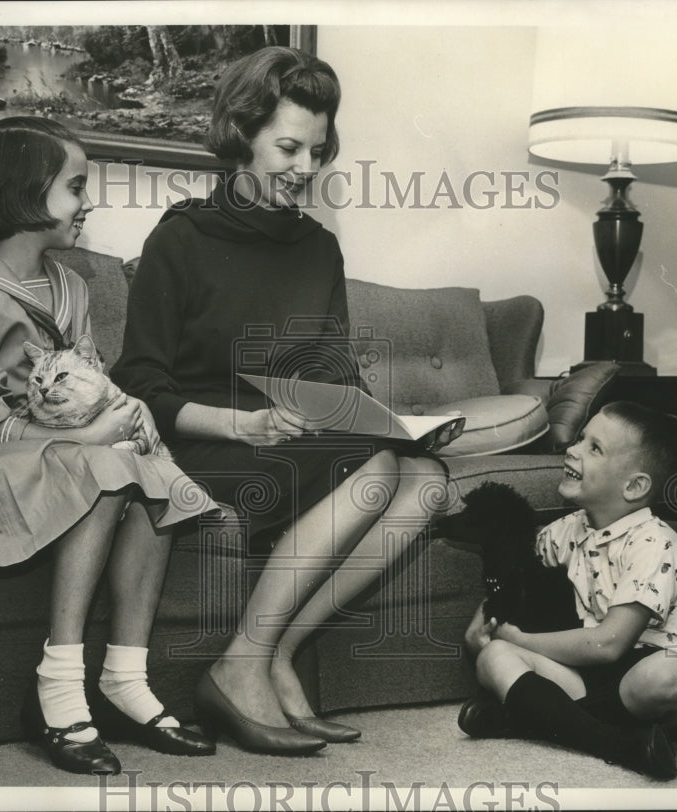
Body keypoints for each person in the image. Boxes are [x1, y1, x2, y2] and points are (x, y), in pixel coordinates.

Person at [110, 47, 452, 755]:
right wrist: (244, 423)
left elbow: (330, 371)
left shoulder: (318, 247)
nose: (304, 168)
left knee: (422, 479)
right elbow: (139, 384)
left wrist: (394, 424)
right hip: (207, 438)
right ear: (242, 135)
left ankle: (267, 657)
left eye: (316, 151)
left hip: (290, 434)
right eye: (288, 147)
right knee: (378, 470)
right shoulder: (179, 238)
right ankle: (240, 670)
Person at [0, 117, 219, 775]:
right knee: (104, 462)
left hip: (64, 445)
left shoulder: (74, 287)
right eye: (76, 186)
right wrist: (93, 434)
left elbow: (85, 382)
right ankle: (59, 685)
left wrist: (111, 418)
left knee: (154, 470)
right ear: (26, 194)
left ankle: (125, 674)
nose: (89, 201)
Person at [458, 401, 677, 780]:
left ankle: (529, 717)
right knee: (493, 656)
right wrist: (485, 620)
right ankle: (617, 743)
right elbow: (518, 574)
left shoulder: (656, 543)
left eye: (593, 448)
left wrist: (520, 638)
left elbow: (609, 643)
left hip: (660, 673)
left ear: (633, 486)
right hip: (595, 679)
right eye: (581, 438)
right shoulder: (567, 530)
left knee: (665, 678)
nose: (573, 449)